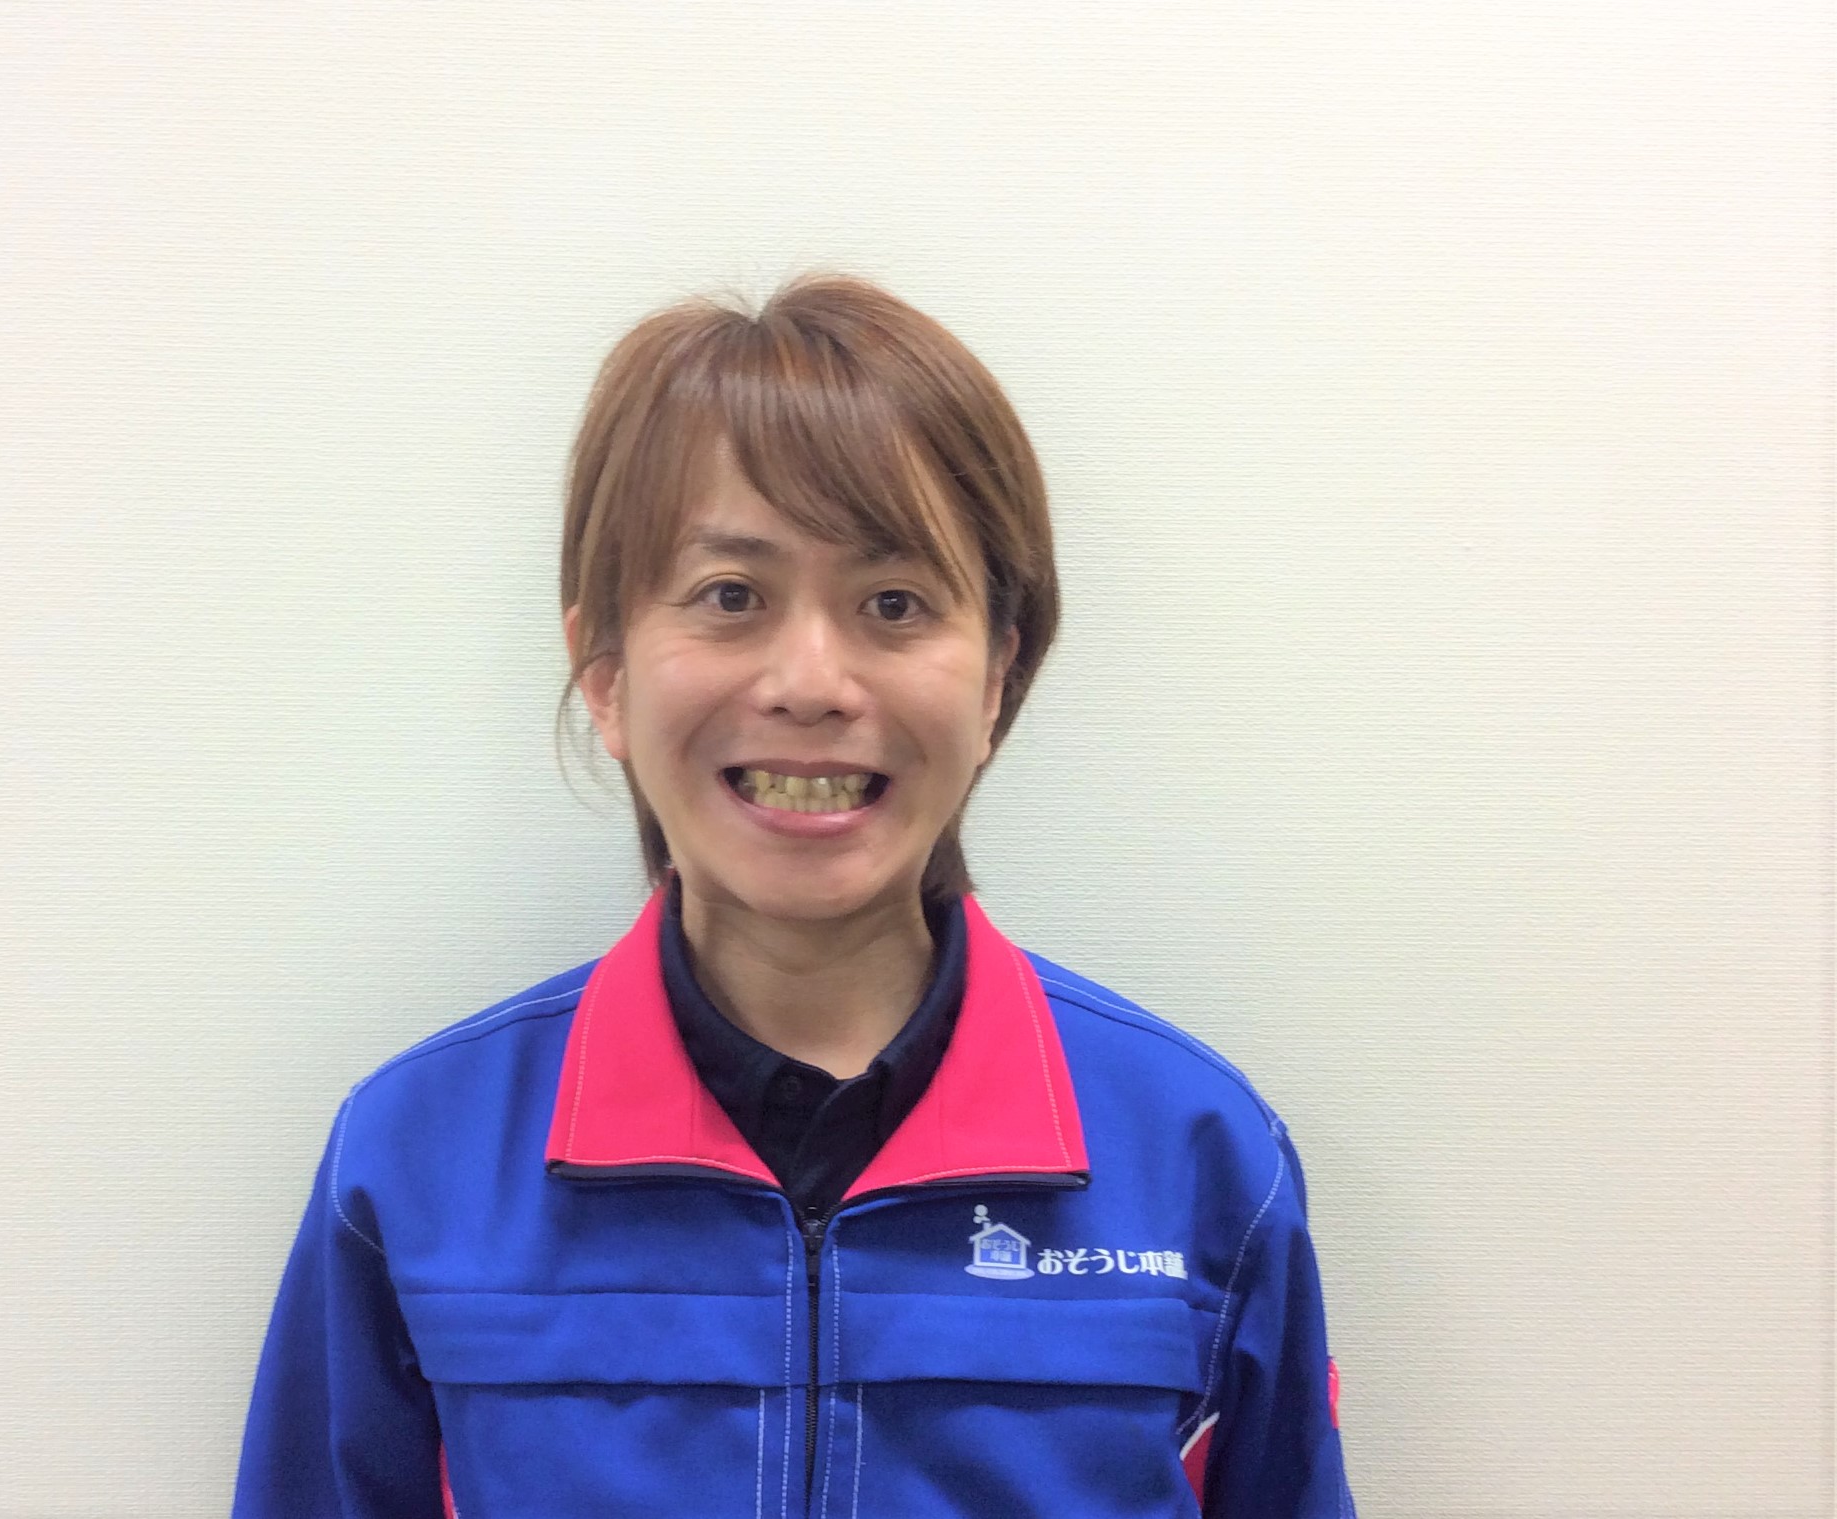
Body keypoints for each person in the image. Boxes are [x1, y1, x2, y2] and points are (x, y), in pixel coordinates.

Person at [232, 273, 1358, 1517]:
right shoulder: (413, 1161)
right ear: (604, 672)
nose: (810, 681)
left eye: (893, 603)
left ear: (996, 675)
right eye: (730, 596)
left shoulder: (1201, 1157)